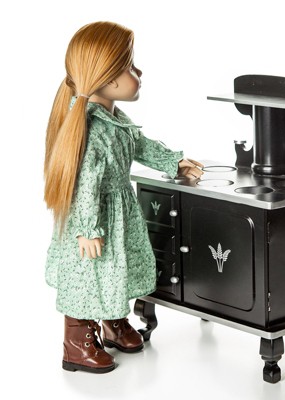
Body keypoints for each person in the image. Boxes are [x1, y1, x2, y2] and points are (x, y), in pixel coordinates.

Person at [43, 21, 204, 374]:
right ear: (107, 78)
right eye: (130, 67)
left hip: (118, 213)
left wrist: (173, 161)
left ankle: (113, 321)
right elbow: (84, 184)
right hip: (94, 218)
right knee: (89, 274)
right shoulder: (89, 127)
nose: (139, 72)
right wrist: (88, 229)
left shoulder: (113, 117)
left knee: (118, 267)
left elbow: (138, 143)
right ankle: (77, 342)